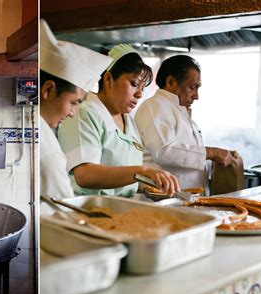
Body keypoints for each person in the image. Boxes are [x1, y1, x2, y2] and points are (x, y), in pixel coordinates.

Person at [58, 44, 180, 197]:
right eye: (134, 84)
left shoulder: (129, 122)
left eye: (143, 88)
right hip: (89, 210)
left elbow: (125, 176)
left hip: (122, 207)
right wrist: (142, 171)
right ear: (108, 79)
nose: (139, 94)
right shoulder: (85, 113)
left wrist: (148, 184)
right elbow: (85, 175)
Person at [134, 55, 231, 191]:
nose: (196, 96)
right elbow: (165, 151)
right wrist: (212, 152)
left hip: (182, 201)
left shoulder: (179, 111)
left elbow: (189, 159)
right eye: (192, 87)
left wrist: (215, 161)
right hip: (160, 202)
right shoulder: (155, 106)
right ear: (171, 82)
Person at [39, 19, 112, 199]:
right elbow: (61, 209)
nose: (72, 113)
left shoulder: (33, 125)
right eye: (73, 102)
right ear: (48, 89)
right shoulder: (47, 150)